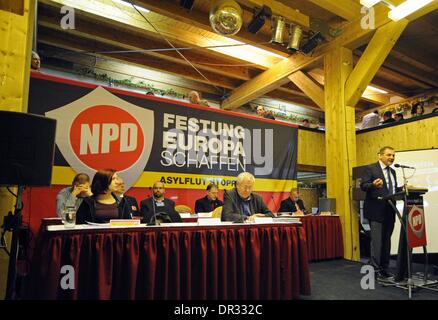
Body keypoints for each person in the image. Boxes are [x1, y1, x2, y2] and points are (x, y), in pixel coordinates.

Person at [360, 146, 400, 280]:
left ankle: (384, 268)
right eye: (389, 155)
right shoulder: (371, 168)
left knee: (386, 241)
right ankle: (375, 270)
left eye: (393, 155)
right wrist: (373, 185)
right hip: (376, 210)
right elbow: (363, 185)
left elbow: (392, 189)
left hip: (390, 210)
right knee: (377, 242)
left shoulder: (393, 172)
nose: (392, 158)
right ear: (380, 155)